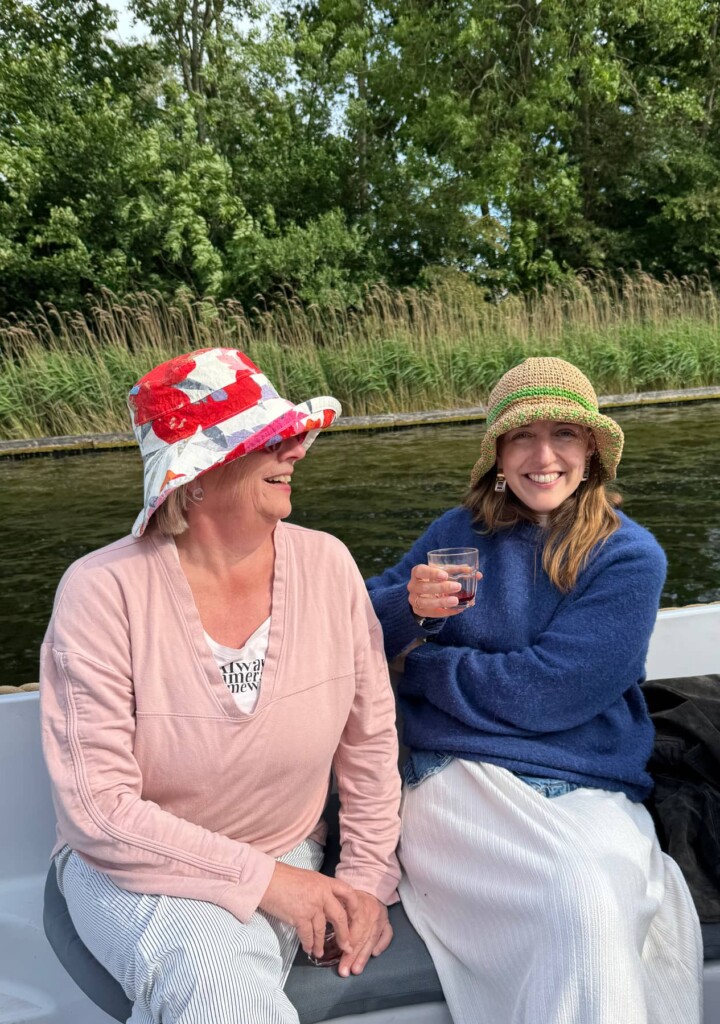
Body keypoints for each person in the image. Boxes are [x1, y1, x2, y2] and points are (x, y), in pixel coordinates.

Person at [40, 347, 401, 1024]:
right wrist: (269, 883)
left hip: (287, 846)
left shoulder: (328, 566)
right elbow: (100, 812)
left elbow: (371, 743)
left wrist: (365, 881)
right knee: (215, 987)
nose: (297, 450)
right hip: (132, 867)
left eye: (292, 435)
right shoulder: (102, 592)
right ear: (197, 476)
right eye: (269, 440)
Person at [367, 357, 703, 1024]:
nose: (543, 457)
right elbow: (359, 626)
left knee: (600, 903)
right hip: (457, 773)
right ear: (498, 454)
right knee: (580, 897)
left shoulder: (628, 557)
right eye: (522, 436)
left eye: (564, 435)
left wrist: (421, 667)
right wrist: (410, 609)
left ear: (592, 451)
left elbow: (548, 693)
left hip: (586, 780)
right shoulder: (456, 533)